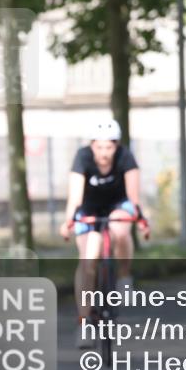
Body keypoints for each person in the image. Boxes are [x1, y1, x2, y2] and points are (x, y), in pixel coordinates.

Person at [59, 118, 149, 349]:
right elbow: (75, 196)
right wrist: (69, 220)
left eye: (109, 147)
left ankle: (124, 275)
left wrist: (139, 217)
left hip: (118, 204)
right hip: (89, 208)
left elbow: (133, 196)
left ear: (116, 145)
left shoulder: (125, 157)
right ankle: (84, 321)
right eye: (99, 147)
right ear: (92, 145)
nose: (104, 153)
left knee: (119, 229)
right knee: (88, 260)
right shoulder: (82, 157)